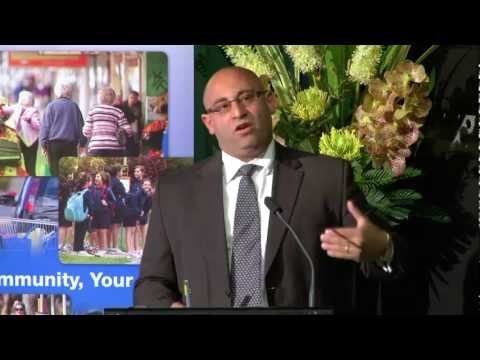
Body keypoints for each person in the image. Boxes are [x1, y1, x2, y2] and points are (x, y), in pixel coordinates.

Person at [134, 67, 405, 312]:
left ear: (270, 101)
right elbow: (151, 284)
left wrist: (382, 247)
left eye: (247, 98)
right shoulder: (176, 190)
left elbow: (376, 256)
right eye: (223, 106)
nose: (238, 112)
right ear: (209, 124)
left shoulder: (327, 177)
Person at [39, 80, 87, 176]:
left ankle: (56, 189)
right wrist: (82, 143)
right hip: (70, 145)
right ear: (69, 93)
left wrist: (43, 143)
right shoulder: (74, 107)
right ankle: (66, 190)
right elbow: (81, 127)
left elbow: (45, 127)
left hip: (54, 146)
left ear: (57, 92)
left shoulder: (50, 106)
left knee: (55, 171)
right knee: (69, 173)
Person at [0, 90, 41, 175]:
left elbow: (38, 125)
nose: (21, 100)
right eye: (21, 98)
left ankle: (31, 177)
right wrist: (2, 110)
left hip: (31, 142)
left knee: (30, 165)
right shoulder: (16, 107)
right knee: (15, 162)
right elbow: (5, 110)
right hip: (18, 139)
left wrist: (29, 119)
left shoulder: (33, 111)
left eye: (23, 98)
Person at [83, 87, 133, 157]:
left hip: (96, 147)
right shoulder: (118, 111)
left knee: (97, 168)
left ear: (99, 98)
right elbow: (129, 130)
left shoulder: (93, 111)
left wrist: (96, 135)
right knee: (113, 167)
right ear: (113, 99)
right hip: (114, 148)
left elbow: (86, 131)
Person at [116, 90, 143, 157]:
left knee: (135, 147)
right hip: (125, 130)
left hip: (136, 129)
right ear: (128, 97)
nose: (133, 100)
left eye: (135, 98)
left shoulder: (140, 105)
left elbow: (140, 117)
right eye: (131, 97)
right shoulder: (122, 106)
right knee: (127, 148)